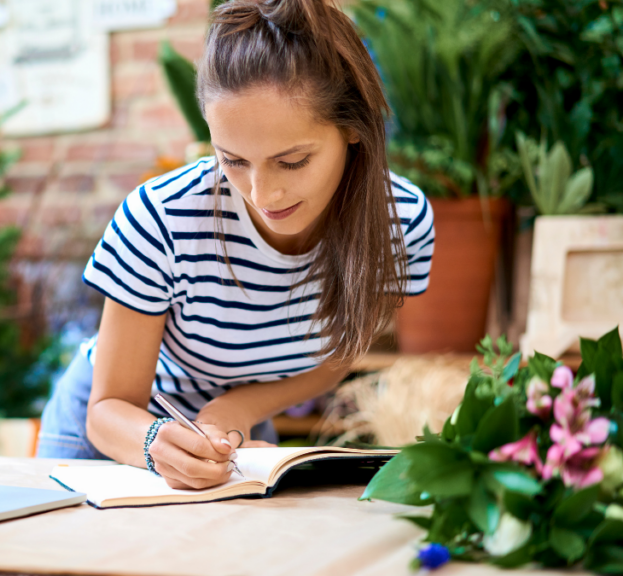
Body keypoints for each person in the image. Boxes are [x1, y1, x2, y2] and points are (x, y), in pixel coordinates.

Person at [37, 0, 435, 490]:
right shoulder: (163, 216)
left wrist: (238, 408)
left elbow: (340, 354)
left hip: (234, 437)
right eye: (233, 160)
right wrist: (158, 442)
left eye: (292, 161)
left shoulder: (400, 223)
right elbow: (107, 410)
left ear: (353, 127)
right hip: (114, 439)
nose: (262, 195)